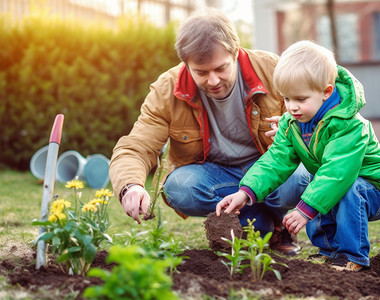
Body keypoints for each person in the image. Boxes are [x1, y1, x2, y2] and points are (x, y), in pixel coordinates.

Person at [109, 8, 308, 256]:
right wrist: (130, 186)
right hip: (216, 174)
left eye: (221, 68)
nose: (213, 80)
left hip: (270, 165)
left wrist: (297, 130)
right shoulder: (167, 90)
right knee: (179, 188)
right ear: (186, 64)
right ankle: (262, 222)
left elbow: (321, 112)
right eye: (201, 72)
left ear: (235, 53)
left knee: (299, 177)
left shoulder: (274, 71)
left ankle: (272, 220)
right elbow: (136, 146)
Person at [216, 40, 380, 271]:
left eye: (300, 99)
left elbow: (337, 173)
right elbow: (275, 161)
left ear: (326, 92)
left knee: (345, 190)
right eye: (286, 98)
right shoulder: (292, 123)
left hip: (376, 187)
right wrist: (245, 192)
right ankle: (329, 251)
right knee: (316, 183)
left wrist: (304, 210)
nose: (291, 107)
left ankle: (352, 256)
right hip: (338, 181)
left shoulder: (348, 125)